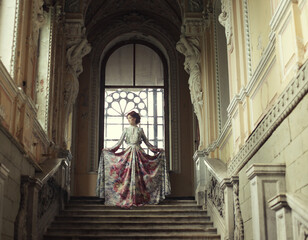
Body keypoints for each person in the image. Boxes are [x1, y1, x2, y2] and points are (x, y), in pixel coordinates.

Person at [96, 111, 171, 208]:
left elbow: (148, 144)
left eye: (130, 118)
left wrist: (157, 150)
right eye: (128, 118)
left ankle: (139, 198)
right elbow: (119, 144)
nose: (129, 120)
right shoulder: (126, 130)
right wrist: (109, 150)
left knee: (140, 177)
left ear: (135, 119)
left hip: (139, 154)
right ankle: (126, 198)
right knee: (126, 176)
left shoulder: (140, 130)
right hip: (128, 154)